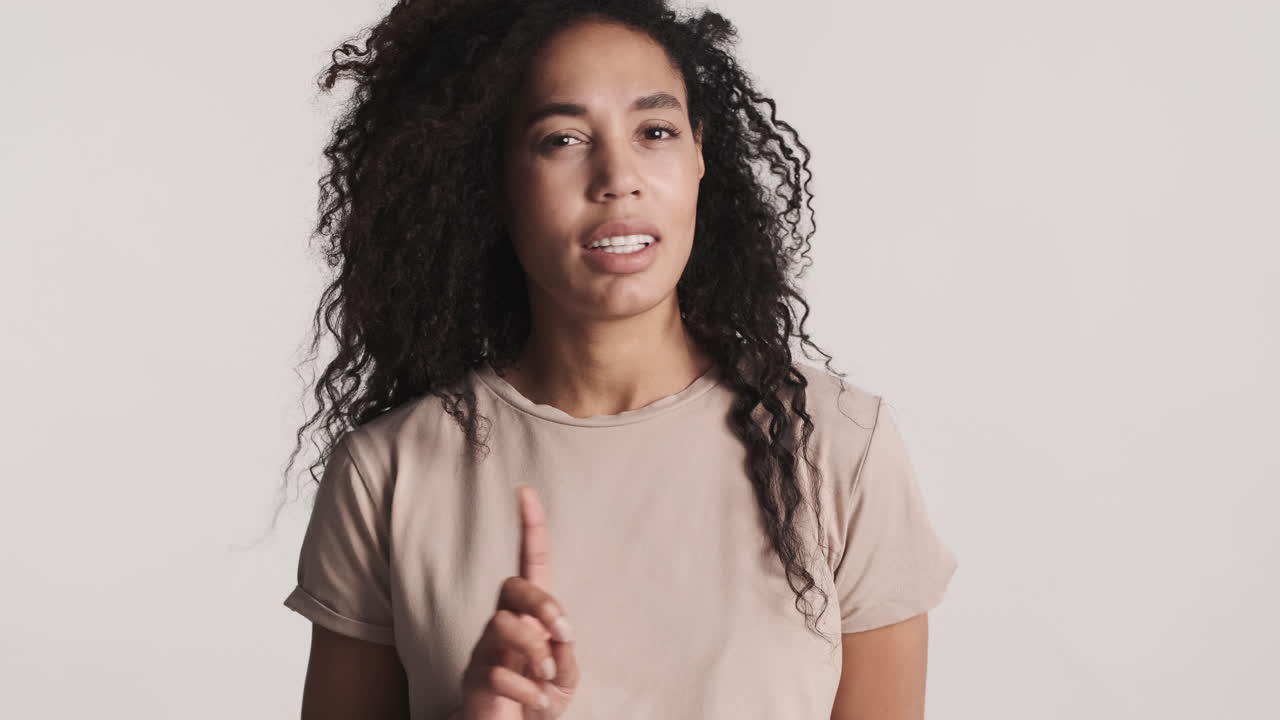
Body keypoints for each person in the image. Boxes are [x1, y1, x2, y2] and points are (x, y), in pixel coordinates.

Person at [278, 1, 959, 718]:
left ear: (700, 153)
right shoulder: (387, 475)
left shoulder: (839, 446)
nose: (618, 177)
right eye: (562, 139)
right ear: (492, 178)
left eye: (655, 131)